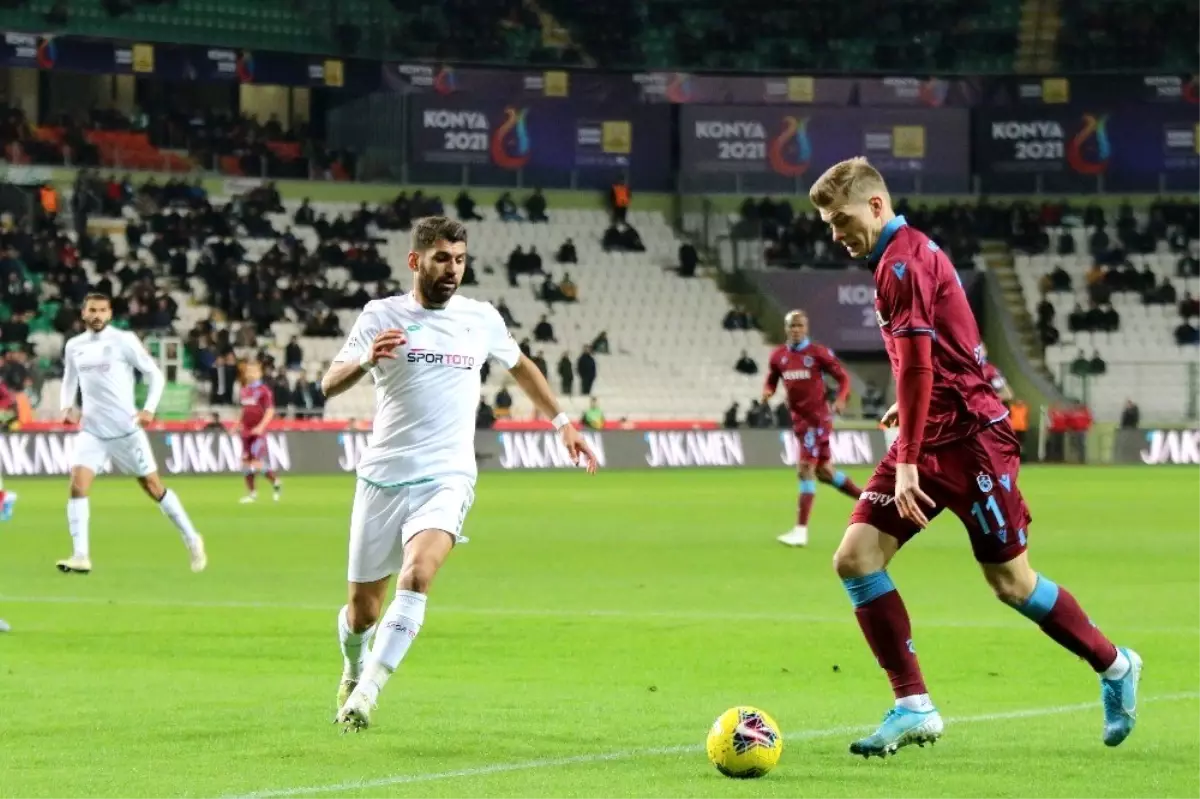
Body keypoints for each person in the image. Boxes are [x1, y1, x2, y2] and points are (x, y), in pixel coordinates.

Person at [808, 157, 1140, 758]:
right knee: (856, 559)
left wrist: (905, 455)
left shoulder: (902, 263)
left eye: (840, 218)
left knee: (1011, 584)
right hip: (932, 429)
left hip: (973, 442)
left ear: (875, 206)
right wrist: (910, 420)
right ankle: (914, 705)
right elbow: (927, 354)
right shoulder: (896, 255)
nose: (834, 233)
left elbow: (919, 364)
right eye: (828, 223)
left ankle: (1115, 665)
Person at [321, 217, 598, 732]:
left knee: (418, 575)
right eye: (443, 259)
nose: (453, 270)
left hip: (446, 476)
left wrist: (563, 422)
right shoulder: (380, 315)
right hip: (382, 478)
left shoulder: (480, 318)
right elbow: (327, 383)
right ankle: (352, 668)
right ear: (415, 261)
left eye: (461, 260)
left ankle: (367, 695)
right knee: (362, 612)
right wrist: (364, 360)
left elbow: (522, 367)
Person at [57, 293, 207, 575]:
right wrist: (66, 406)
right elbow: (69, 379)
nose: (97, 315)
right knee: (78, 485)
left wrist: (149, 409)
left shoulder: (123, 340)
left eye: (102, 310)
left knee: (153, 487)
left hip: (126, 429)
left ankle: (191, 537)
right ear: (83, 313)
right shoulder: (74, 346)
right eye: (92, 310)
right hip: (92, 430)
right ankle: (81, 555)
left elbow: (155, 375)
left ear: (110, 314)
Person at [763, 309, 861, 548]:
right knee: (824, 472)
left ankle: (800, 530)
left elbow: (843, 378)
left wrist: (841, 399)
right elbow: (772, 378)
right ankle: (870, 500)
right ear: (786, 329)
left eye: (799, 326)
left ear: (806, 328)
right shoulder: (778, 356)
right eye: (791, 326)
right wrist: (769, 390)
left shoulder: (818, 353)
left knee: (804, 468)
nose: (795, 330)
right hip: (799, 420)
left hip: (817, 419)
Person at [238, 360, 282, 503]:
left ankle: (275, 482)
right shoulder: (244, 390)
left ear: (259, 373)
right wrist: (237, 424)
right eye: (248, 370)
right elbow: (244, 411)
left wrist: (261, 427)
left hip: (258, 432)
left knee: (257, 463)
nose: (249, 373)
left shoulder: (264, 391)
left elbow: (270, 411)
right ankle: (252, 494)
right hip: (246, 431)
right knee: (245, 463)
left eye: (253, 370)